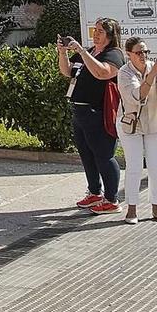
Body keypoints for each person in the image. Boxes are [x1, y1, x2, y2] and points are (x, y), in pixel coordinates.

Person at [62, 19, 125, 214]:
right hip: (80, 111)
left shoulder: (113, 54)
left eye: (100, 31)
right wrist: (62, 52)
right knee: (87, 155)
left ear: (110, 34)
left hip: (98, 112)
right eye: (95, 30)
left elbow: (102, 73)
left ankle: (112, 199)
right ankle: (95, 192)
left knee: (104, 155)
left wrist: (81, 51)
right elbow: (67, 71)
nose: (96, 34)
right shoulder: (90, 52)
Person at [116, 37, 157, 223]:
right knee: (134, 166)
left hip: (155, 122)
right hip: (131, 124)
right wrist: (152, 75)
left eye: (145, 52)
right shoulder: (124, 73)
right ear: (129, 55)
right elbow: (137, 96)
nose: (143, 56)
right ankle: (131, 210)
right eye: (138, 52)